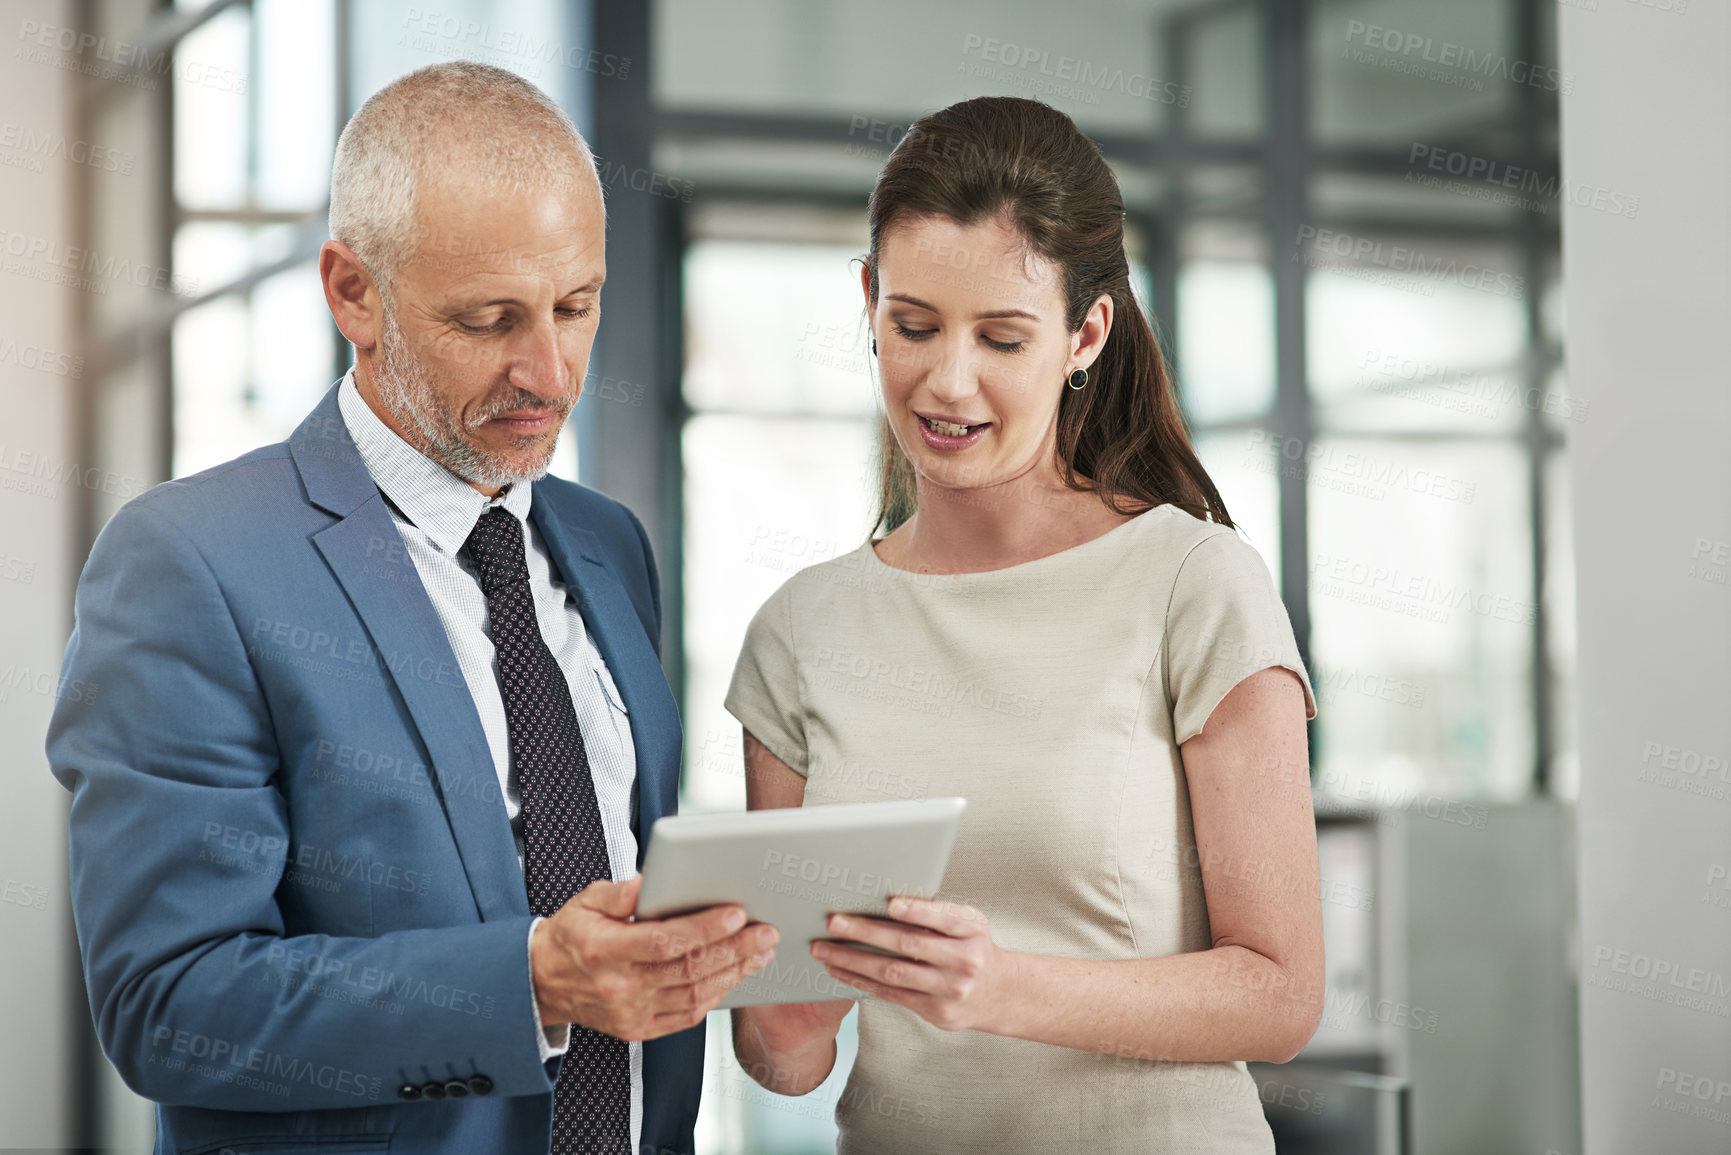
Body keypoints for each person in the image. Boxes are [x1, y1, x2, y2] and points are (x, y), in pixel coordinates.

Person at [45, 62, 776, 1155]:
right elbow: (171, 1005)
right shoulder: (188, 562)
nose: (549, 372)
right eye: (489, 320)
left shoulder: (608, 544)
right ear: (353, 294)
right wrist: (532, 984)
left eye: (576, 307)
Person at [725, 96, 1323, 1153]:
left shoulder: (1193, 583)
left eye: (1002, 337)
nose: (947, 382)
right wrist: (778, 1005)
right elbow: (787, 1060)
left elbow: (1280, 995)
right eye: (913, 327)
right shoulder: (799, 631)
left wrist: (998, 988)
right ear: (868, 304)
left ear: (1084, 333)